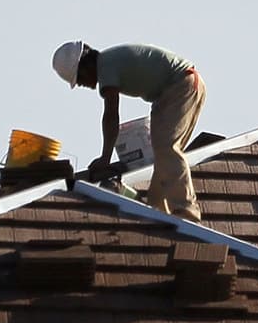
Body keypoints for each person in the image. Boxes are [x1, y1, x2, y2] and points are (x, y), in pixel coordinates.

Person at [52, 41, 206, 222]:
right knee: (163, 156)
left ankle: (186, 210)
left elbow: (111, 115)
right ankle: (159, 212)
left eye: (79, 78)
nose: (81, 84)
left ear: (86, 66)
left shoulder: (105, 66)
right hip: (174, 89)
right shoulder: (109, 61)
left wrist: (105, 159)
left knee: (167, 148)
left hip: (181, 85)